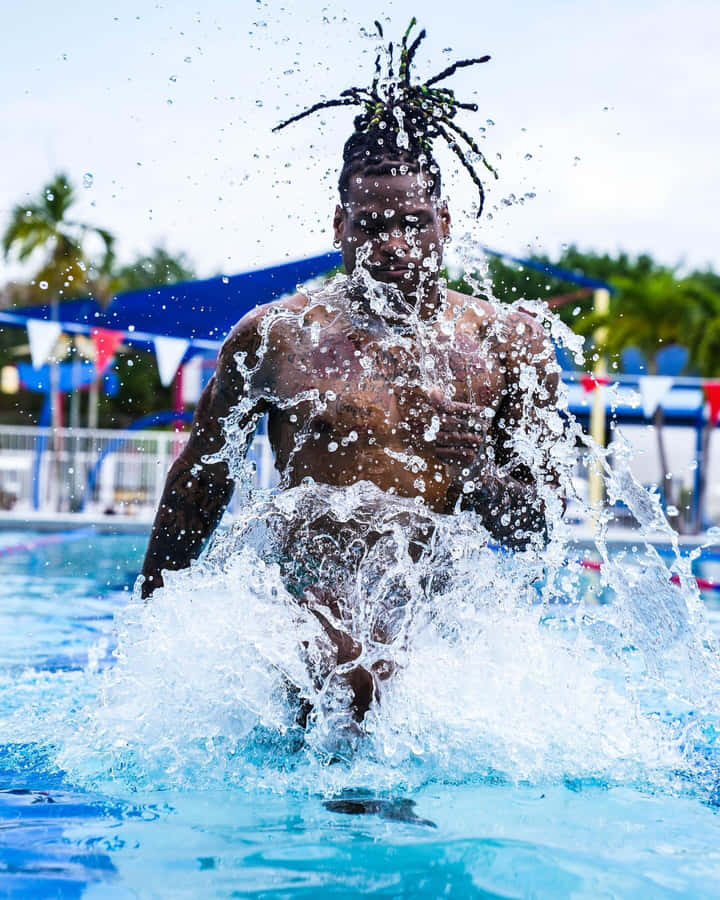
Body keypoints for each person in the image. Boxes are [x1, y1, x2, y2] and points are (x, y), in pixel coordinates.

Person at [140, 23, 563, 722]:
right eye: (371, 226)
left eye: (414, 223)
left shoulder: (505, 344)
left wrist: (482, 478)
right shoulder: (279, 338)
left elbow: (541, 527)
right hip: (306, 620)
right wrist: (148, 621)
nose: (394, 245)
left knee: (380, 682)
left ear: (446, 222)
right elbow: (200, 478)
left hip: (436, 627)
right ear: (339, 224)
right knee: (346, 664)